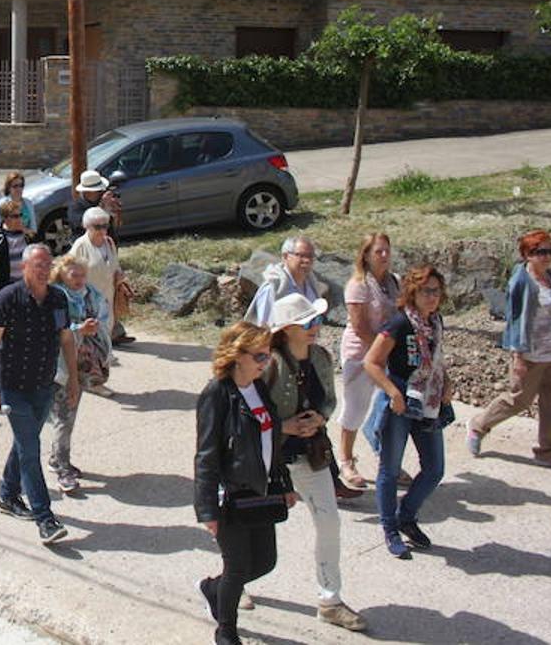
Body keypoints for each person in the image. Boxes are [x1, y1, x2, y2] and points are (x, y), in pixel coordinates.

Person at [264, 294, 368, 631]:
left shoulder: (321, 358)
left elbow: (330, 400)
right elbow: (247, 413)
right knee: (252, 527)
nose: (315, 327)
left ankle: (329, 600)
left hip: (311, 456)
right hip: (270, 460)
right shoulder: (268, 363)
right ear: (286, 330)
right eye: (306, 322)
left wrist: (319, 420)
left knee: (329, 524)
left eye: (315, 320)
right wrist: (284, 426)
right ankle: (232, 584)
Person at [194, 321, 297, 645]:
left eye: (267, 356)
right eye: (260, 356)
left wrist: (284, 484)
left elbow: (271, 440)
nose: (265, 363)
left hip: (262, 491)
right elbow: (206, 455)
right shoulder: (217, 393)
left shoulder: (258, 387)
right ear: (237, 355)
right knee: (237, 567)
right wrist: (206, 508)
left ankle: (215, 588)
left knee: (265, 562)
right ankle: (226, 631)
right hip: (231, 494)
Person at [0, 243, 80, 546]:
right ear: (24, 267)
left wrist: (74, 380)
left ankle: (9, 496)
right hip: (13, 386)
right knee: (30, 449)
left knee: (24, 443)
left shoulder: (57, 298)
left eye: (47, 264)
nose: (43, 270)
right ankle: (45, 518)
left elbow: (66, 340)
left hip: (44, 385)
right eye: (37, 264)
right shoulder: (8, 299)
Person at [469, 229, 551, 472]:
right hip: (530, 355)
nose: (547, 256)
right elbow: (515, 319)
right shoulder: (520, 281)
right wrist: (517, 356)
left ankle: (547, 452)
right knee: (518, 400)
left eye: (550, 251)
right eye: (540, 252)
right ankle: (479, 425)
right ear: (528, 254)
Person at [363, 265, 452, 559]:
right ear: (412, 292)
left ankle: (406, 515)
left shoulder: (436, 321)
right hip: (401, 403)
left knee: (434, 468)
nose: (432, 297)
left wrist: (446, 384)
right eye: (426, 290)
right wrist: (392, 392)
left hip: (429, 403)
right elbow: (372, 362)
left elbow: (436, 360)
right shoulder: (399, 323)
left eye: (436, 291)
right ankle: (390, 528)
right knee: (389, 470)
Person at [337, 233, 401, 490]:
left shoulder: (394, 282)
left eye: (387, 250)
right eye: (378, 252)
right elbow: (360, 326)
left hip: (386, 352)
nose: (384, 256)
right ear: (365, 255)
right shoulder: (358, 284)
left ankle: (388, 460)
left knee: (386, 408)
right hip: (361, 353)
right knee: (356, 406)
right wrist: (381, 351)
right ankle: (346, 459)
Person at [48, 255, 111, 494]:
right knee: (64, 416)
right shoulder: (55, 297)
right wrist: (79, 329)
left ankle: (56, 458)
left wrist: (95, 327)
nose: (79, 280)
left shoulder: (91, 293)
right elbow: (55, 329)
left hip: (84, 362)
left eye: (82, 275)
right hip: (60, 365)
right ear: (62, 274)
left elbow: (104, 317)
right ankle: (63, 469)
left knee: (68, 414)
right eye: (74, 275)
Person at [69, 207, 132, 352]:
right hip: (88, 302)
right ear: (87, 227)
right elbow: (70, 272)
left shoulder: (109, 243)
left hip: (108, 299)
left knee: (106, 333)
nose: (103, 230)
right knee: (92, 340)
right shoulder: (80, 246)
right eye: (98, 227)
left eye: (105, 226)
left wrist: (121, 279)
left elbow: (115, 266)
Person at [245, 236, 323, 326]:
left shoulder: (312, 285)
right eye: (301, 255)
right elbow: (262, 327)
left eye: (310, 256)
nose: (307, 260)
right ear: (285, 256)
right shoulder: (273, 288)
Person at [0, 201, 30, 297]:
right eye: (15, 216)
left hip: (25, 282)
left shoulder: (26, 235)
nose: (19, 219)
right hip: (7, 285)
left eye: (20, 215)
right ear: (5, 218)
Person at [68, 169, 122, 239]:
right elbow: (90, 225)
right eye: (98, 190)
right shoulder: (75, 207)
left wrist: (116, 211)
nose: (101, 192)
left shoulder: (103, 202)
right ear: (86, 191)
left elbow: (117, 225)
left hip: (106, 244)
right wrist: (102, 208)